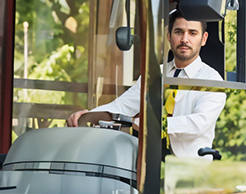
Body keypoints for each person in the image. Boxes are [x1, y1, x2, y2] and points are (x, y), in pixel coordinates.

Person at [68, 12, 226, 158]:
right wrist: (88, 116)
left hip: (189, 171)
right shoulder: (154, 74)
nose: (185, 39)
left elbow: (198, 124)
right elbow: (122, 105)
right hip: (150, 167)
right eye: (178, 32)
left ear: (203, 39)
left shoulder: (212, 80)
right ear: (169, 36)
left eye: (192, 33)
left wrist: (151, 124)